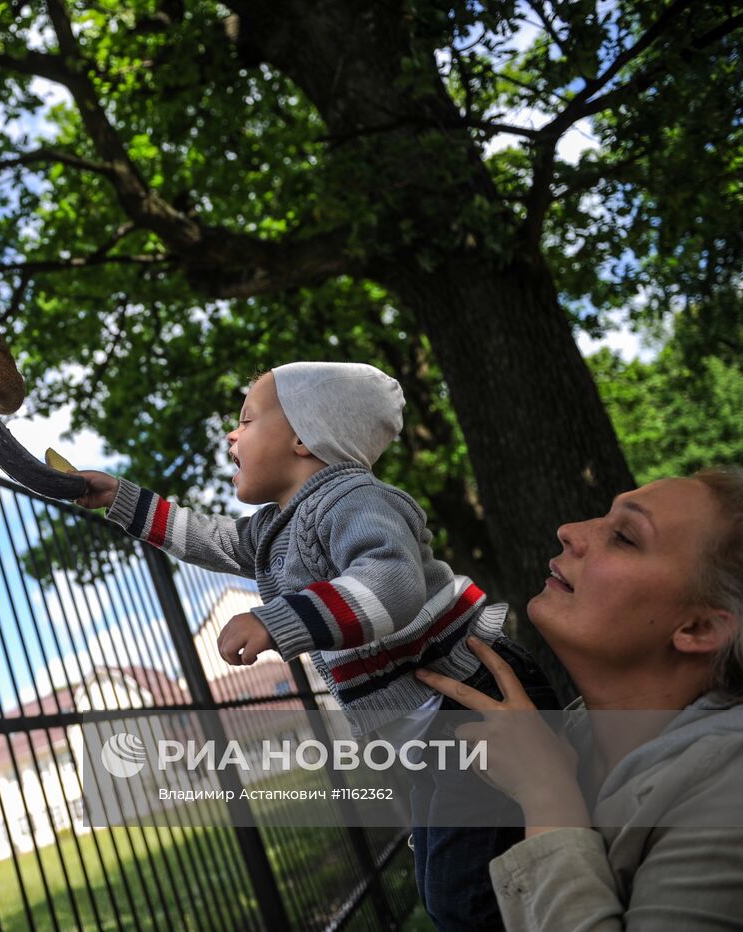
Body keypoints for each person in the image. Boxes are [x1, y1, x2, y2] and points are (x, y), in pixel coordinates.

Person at [71, 361, 557, 929]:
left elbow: (391, 581)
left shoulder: (351, 498)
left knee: (462, 893)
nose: (231, 434)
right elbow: (215, 537)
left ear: (304, 438)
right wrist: (123, 500)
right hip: (440, 730)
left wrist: (280, 620)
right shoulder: (281, 525)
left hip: (477, 702)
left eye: (246, 420)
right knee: (449, 881)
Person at [418, 467, 743, 930]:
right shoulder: (566, 734)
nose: (569, 531)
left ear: (700, 628)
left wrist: (547, 794)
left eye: (626, 537)